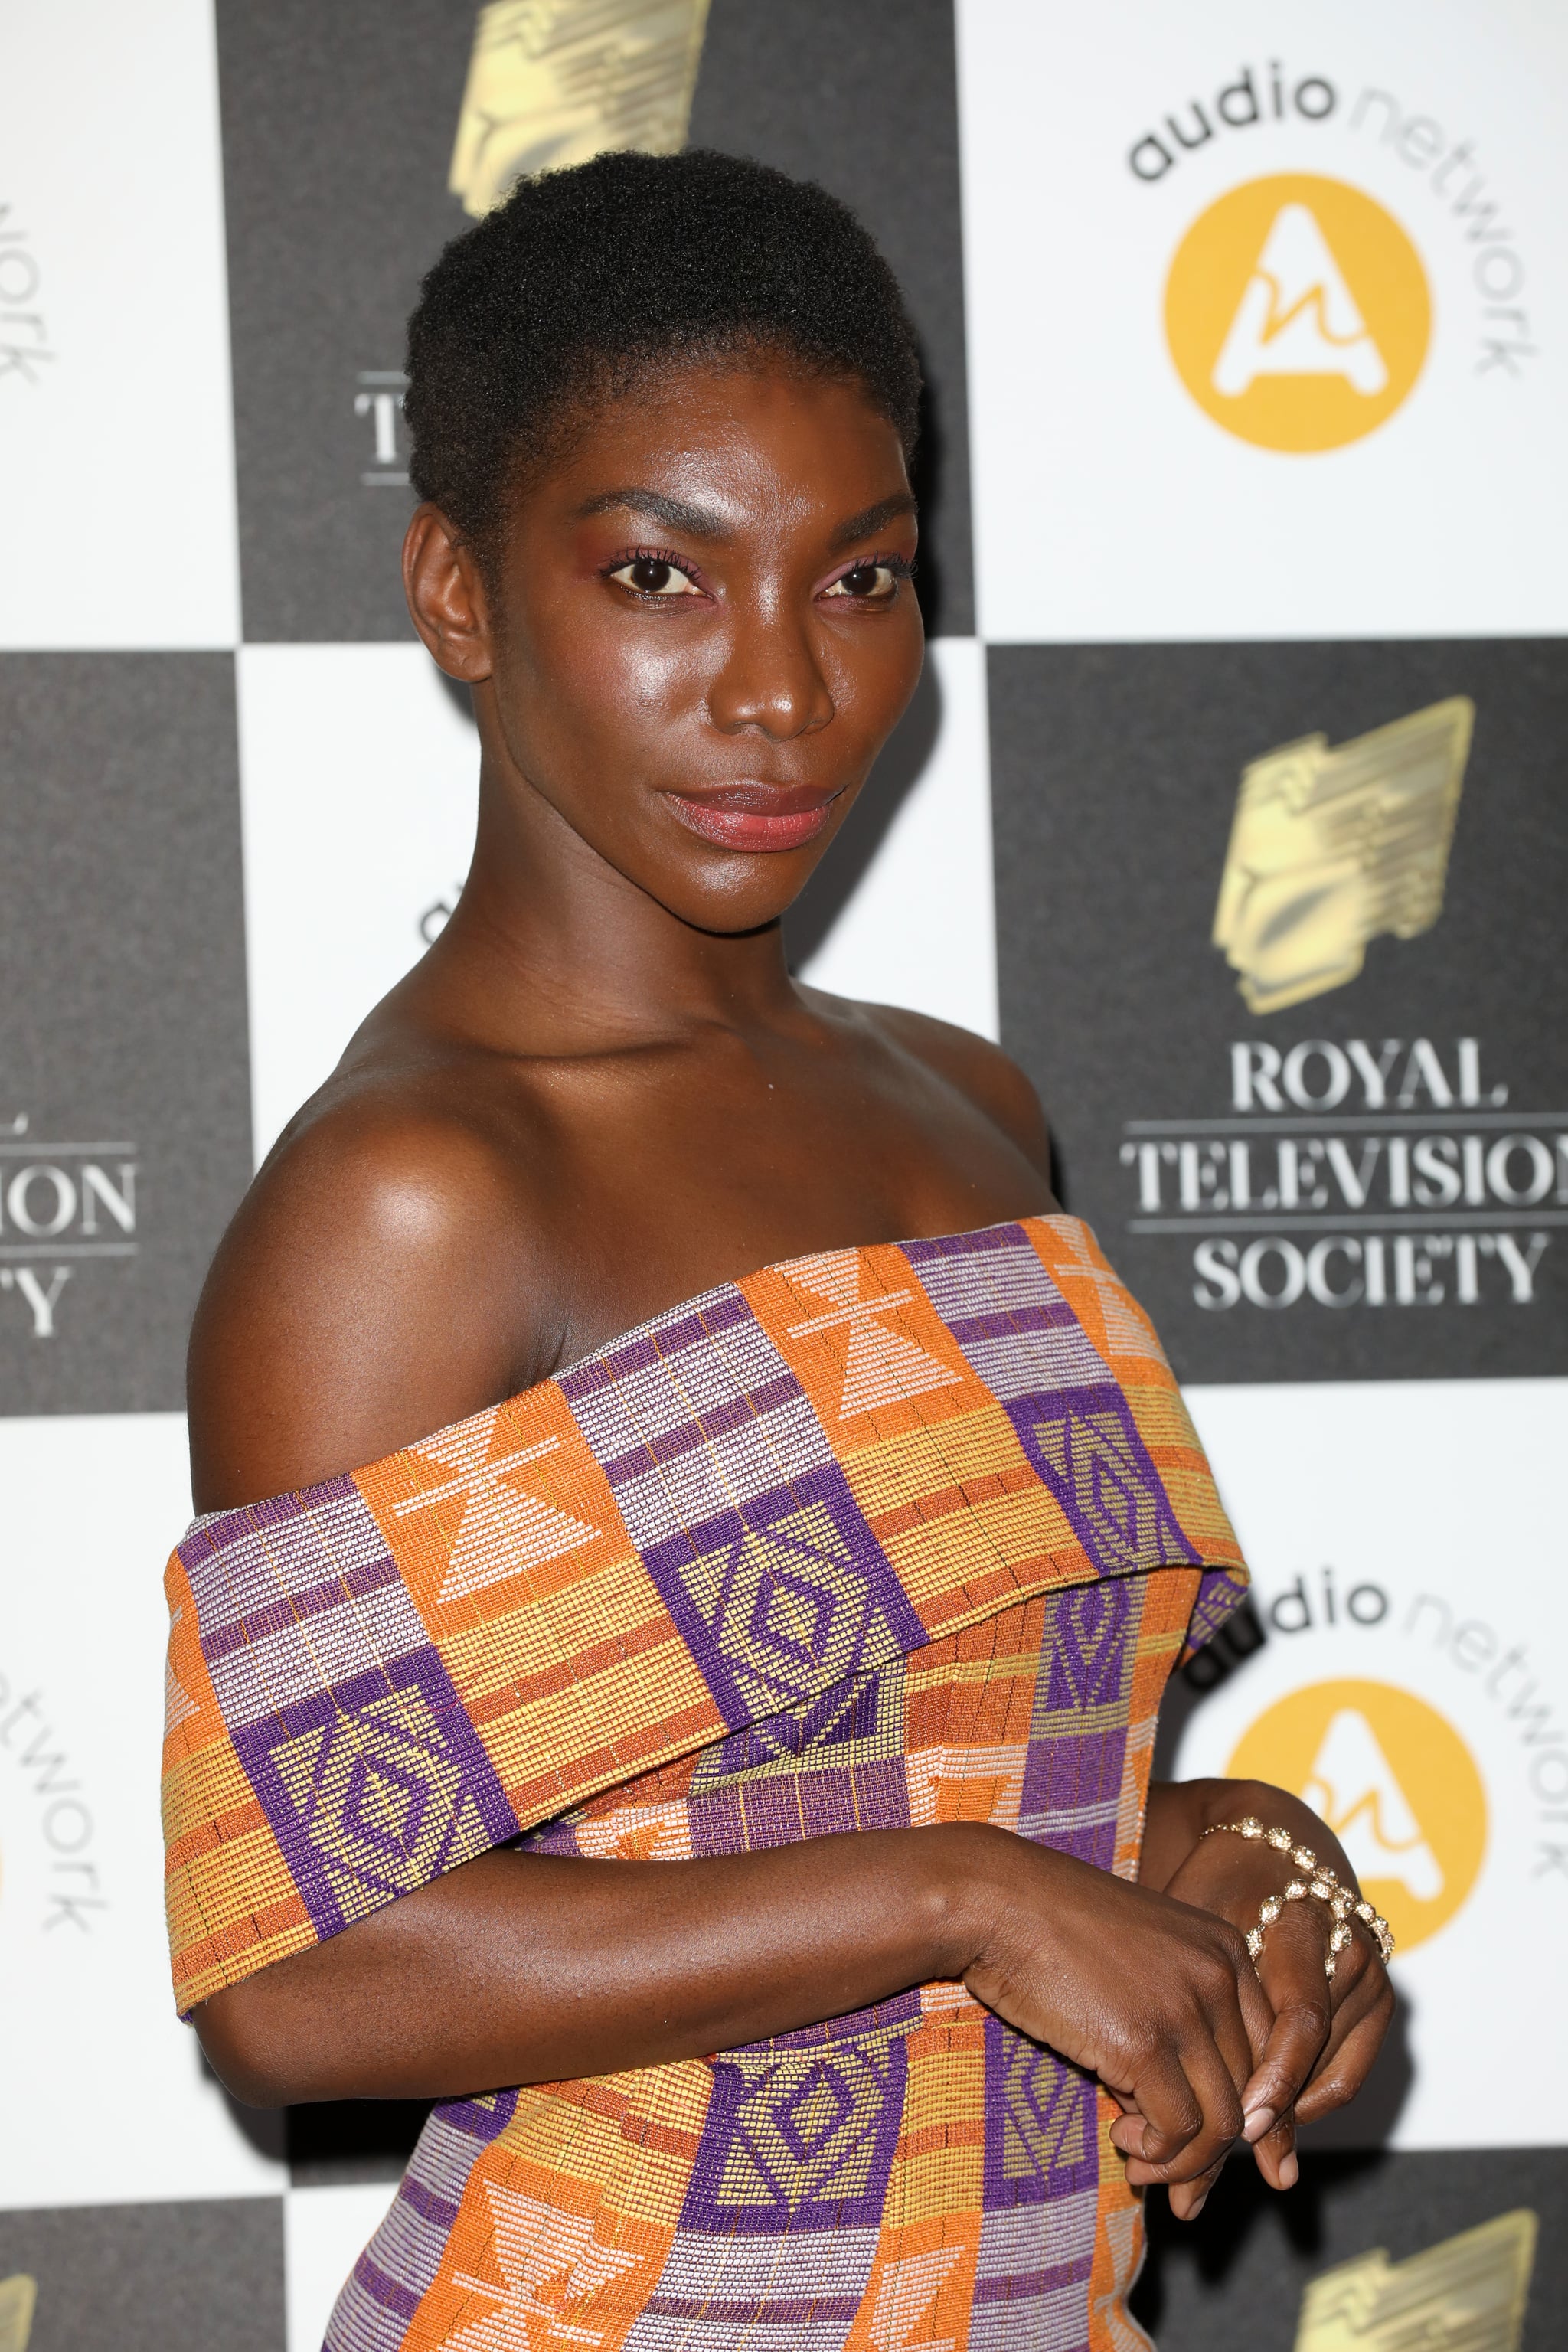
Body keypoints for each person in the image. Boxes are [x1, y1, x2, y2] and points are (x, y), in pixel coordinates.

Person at [165, 150, 1393, 2351]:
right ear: (459, 588)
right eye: (661, 573)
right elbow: (303, 1974)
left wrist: (1238, 1863)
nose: (781, 692)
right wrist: (964, 1906)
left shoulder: (971, 1102)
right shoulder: (419, 1194)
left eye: (860, 577)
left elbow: (942, 1772)